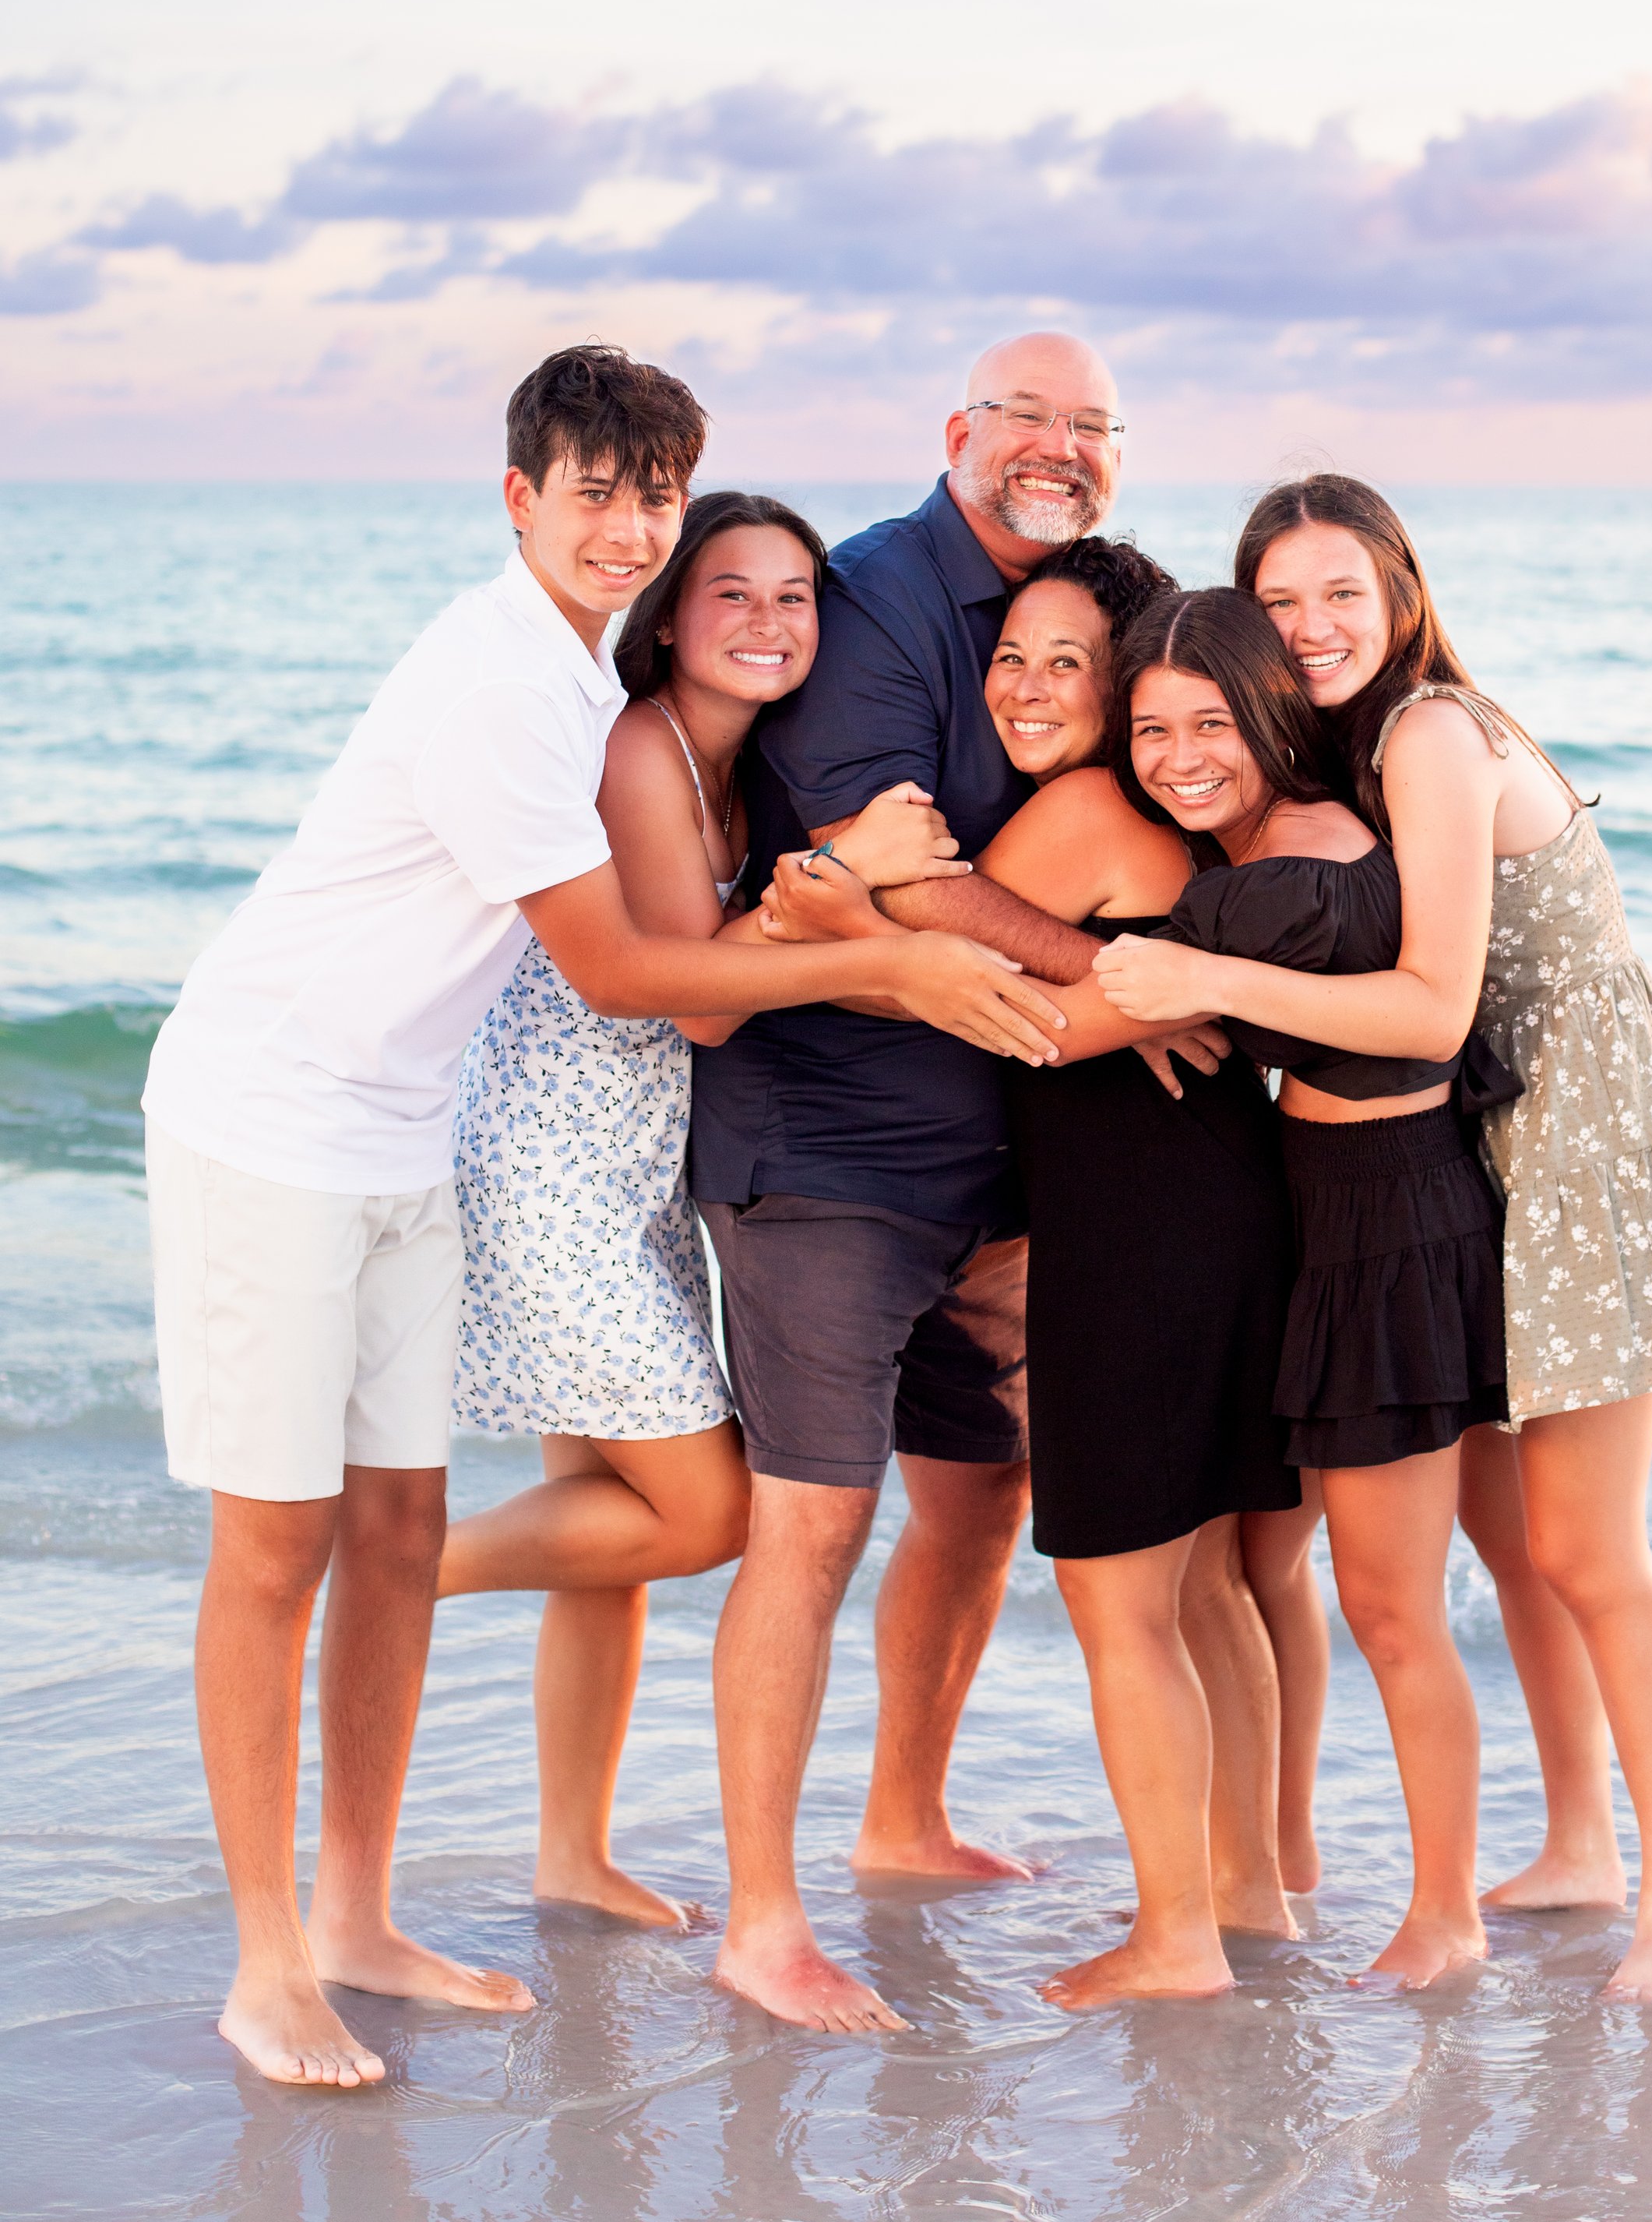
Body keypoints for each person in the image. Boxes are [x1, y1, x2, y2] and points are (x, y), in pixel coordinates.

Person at [139, 344, 1065, 2090]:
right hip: (271, 1116)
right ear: (519, 498)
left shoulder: (584, 682)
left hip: (416, 1127)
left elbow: (672, 945)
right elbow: (631, 974)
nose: (628, 529)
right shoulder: (507, 689)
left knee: (401, 1528)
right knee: (287, 1551)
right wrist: (887, 959)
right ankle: (269, 1969)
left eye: (656, 496)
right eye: (597, 494)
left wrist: (830, 902)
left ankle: (358, 1919)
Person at [1102, 476, 1652, 1999]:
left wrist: (1204, 981)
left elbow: (1437, 1007)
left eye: (1341, 591)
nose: (1312, 625)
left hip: (1580, 1134)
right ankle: (1577, 1846)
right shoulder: (1341, 749)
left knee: (1585, 1545)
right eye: (1279, 602)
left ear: (1400, 586)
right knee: (1512, 1542)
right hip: (1492, 1133)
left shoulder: (1428, 734)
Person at [690, 330, 1213, 2033]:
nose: (1057, 446)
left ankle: (902, 1817)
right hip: (829, 1148)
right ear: (957, 431)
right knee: (812, 1521)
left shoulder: (1081, 609)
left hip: (992, 1153)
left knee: (978, 1498)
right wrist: (1132, 982)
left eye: (1091, 424)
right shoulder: (874, 601)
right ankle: (760, 1923)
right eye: (1024, 417)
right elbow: (892, 888)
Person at [437, 493, 965, 1930]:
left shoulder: (731, 762)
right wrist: (847, 889)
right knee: (702, 1508)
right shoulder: (639, 751)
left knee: (600, 1535)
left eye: (795, 597)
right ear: (669, 615)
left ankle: (571, 1851)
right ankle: (394, 1567)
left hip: (639, 1167)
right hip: (556, 1162)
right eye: (732, 593)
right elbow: (698, 999)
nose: (769, 621)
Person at [1101, 586, 1509, 1986]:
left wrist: (875, 925)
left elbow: (1088, 1010)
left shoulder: (1276, 876)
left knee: (1390, 1604)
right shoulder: (1293, 840)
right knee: (1280, 1568)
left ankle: (1445, 1914)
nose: (1179, 757)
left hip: (1385, 1230)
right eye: (1151, 730)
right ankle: (1284, 1860)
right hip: (1336, 1208)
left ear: (1271, 711)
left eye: (1210, 723)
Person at [977, 539, 1310, 2004]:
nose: (1031, 686)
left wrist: (847, 879)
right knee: (1211, 1585)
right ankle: (1246, 1898)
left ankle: (1176, 1938)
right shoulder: (1202, 832)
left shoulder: (1084, 811)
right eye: (1011, 655)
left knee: (1122, 1604)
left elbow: (942, 963)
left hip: (1137, 1240)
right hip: (1232, 1209)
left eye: (1070, 662)